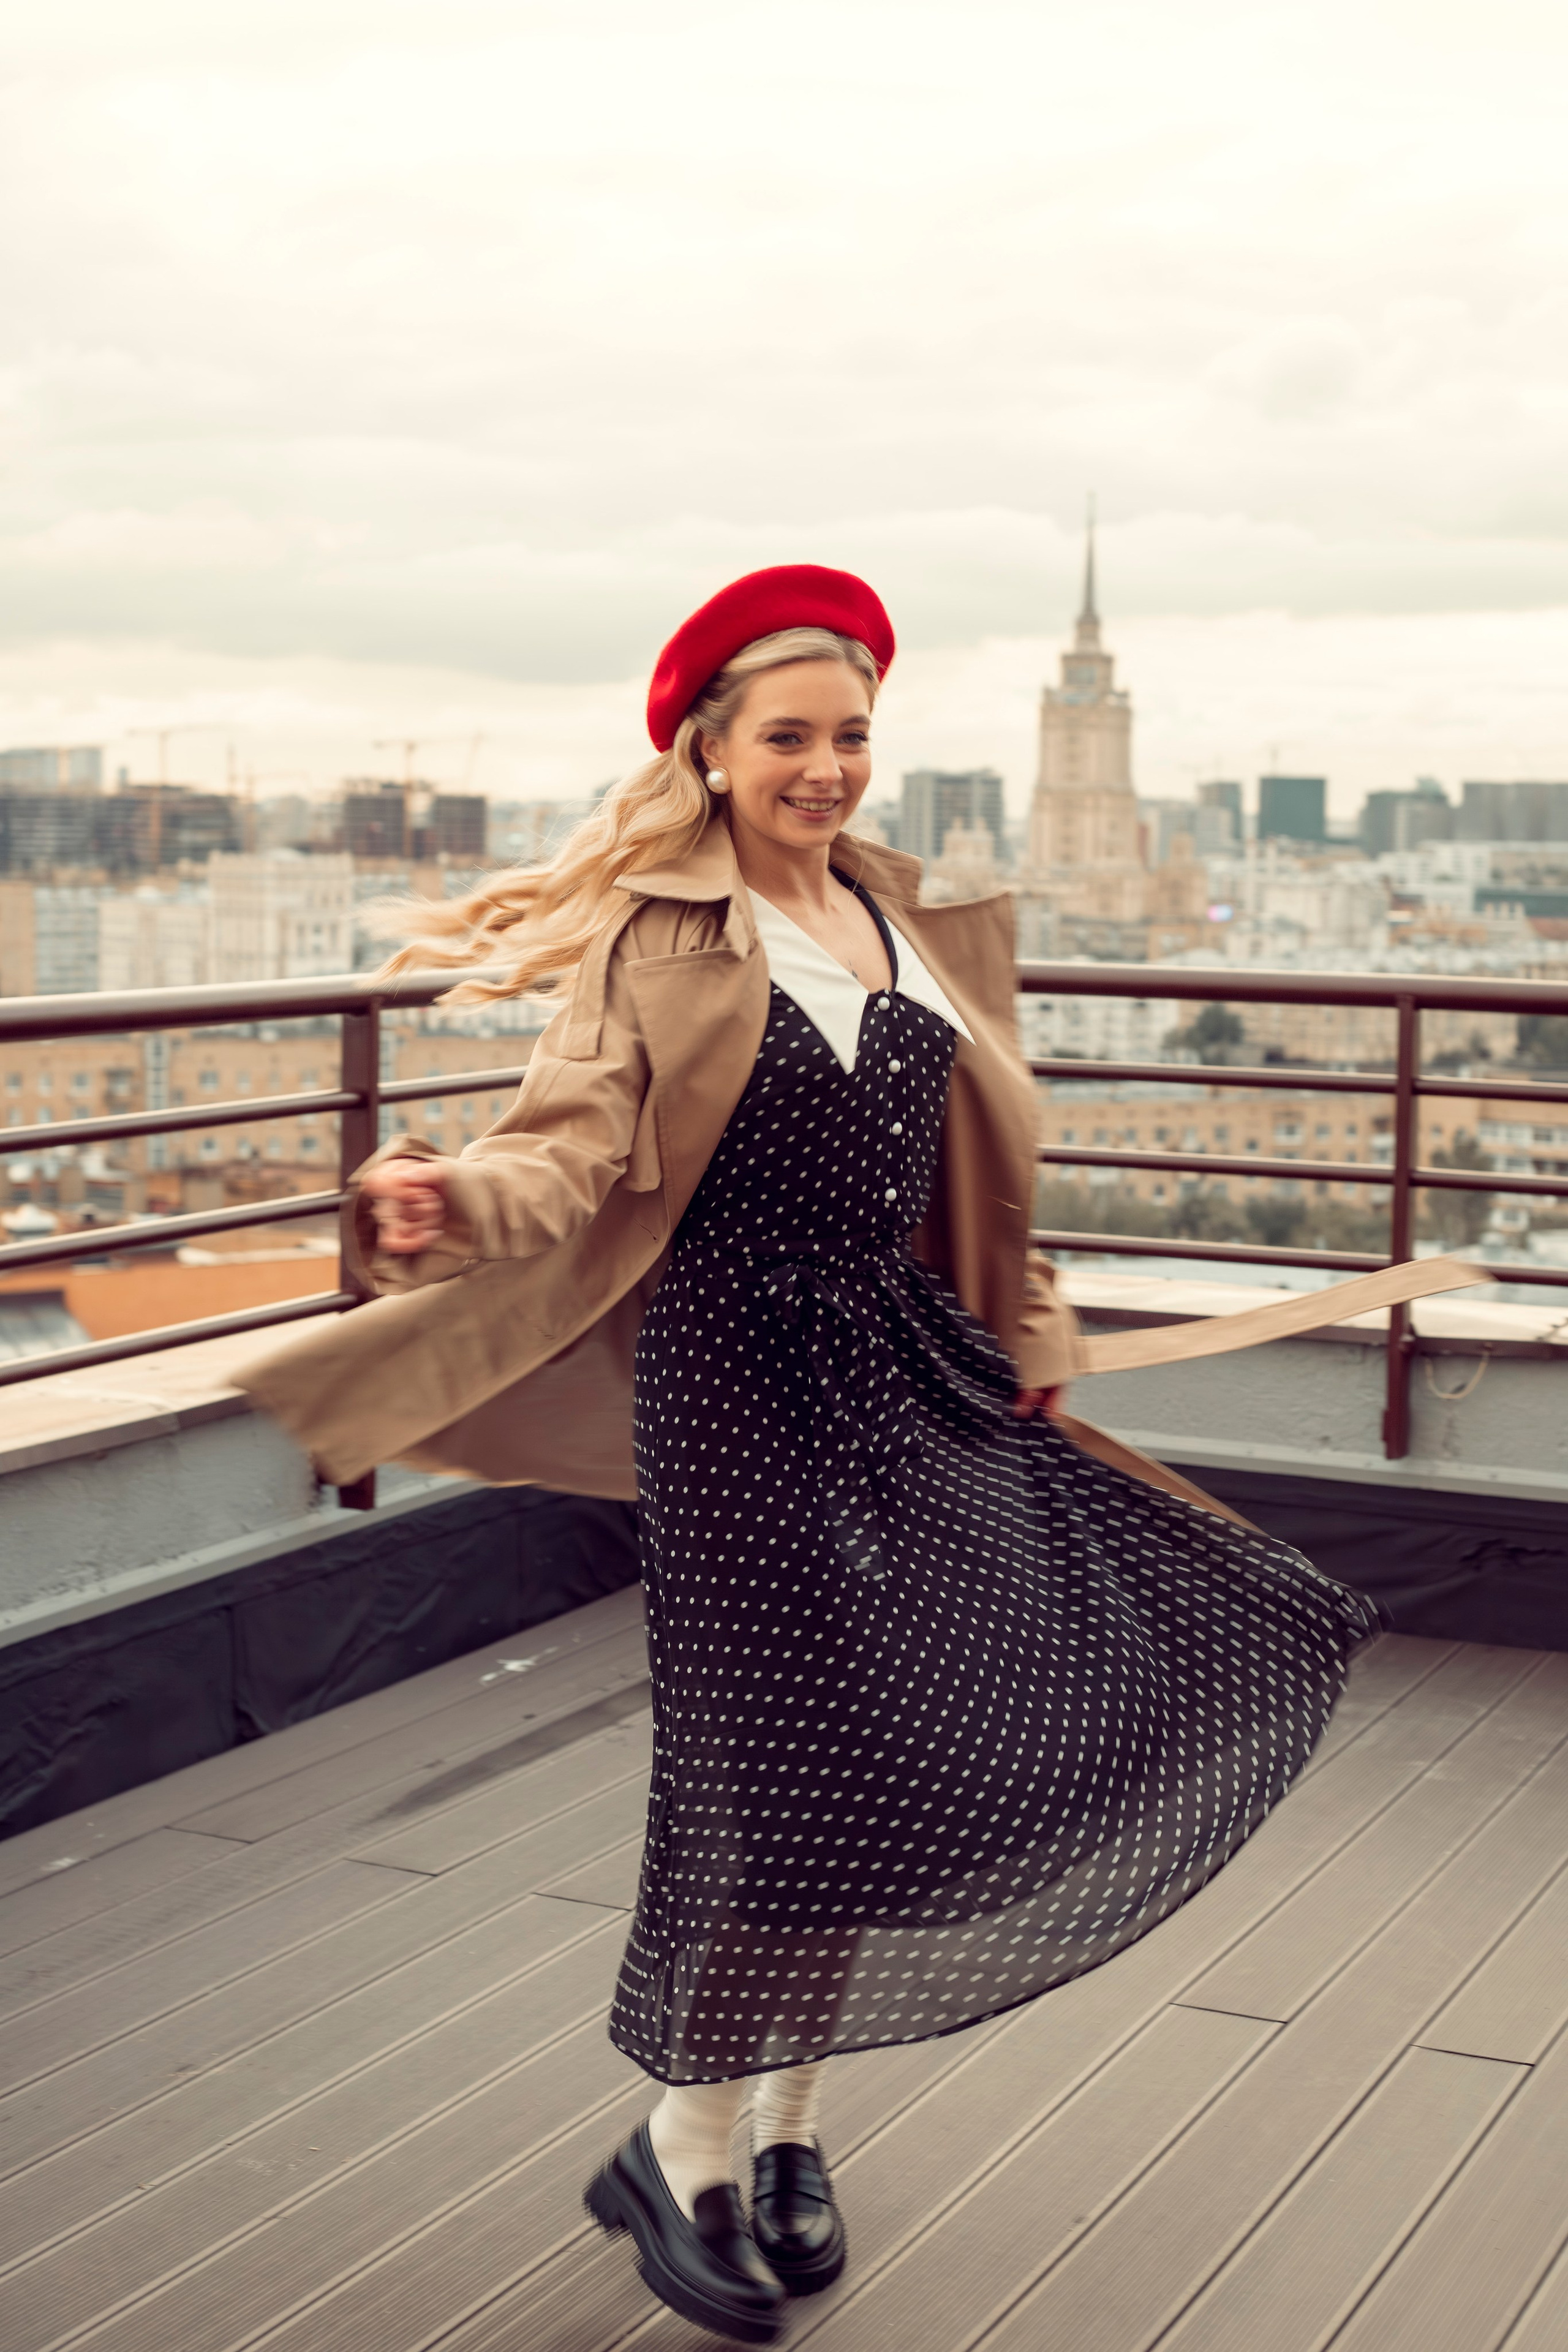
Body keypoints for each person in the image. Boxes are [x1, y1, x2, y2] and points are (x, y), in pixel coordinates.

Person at [239, 566, 1380, 2346]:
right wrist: (443, 1198)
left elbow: (989, 1188)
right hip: (734, 1379)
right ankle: (682, 2145)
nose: (829, 768)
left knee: (920, 1734)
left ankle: (789, 2125)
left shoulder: (917, 921)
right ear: (709, 748)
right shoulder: (659, 938)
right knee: (783, 1759)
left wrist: (1040, 1347)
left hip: (908, 1365)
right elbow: (568, 1149)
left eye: (853, 737)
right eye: (790, 737)